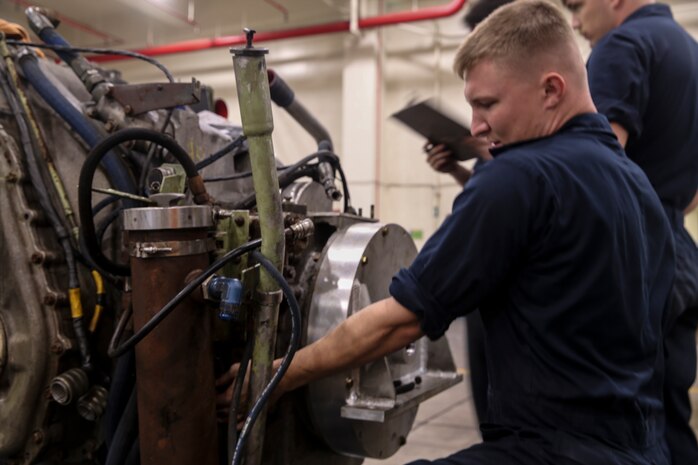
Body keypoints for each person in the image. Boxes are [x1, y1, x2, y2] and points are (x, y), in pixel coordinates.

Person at [218, 1, 676, 463]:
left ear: (552, 90)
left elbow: (397, 322)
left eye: (487, 104)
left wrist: (276, 375)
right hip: (648, 449)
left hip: (550, 451)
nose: (476, 127)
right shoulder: (640, 190)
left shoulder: (519, 177)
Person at [561, 1, 698, 462]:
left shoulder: (622, 45)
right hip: (679, 253)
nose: (575, 21)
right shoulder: (689, 51)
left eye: (577, 5)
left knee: (619, 426)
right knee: (670, 412)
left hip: (631, 259)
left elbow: (598, 169)